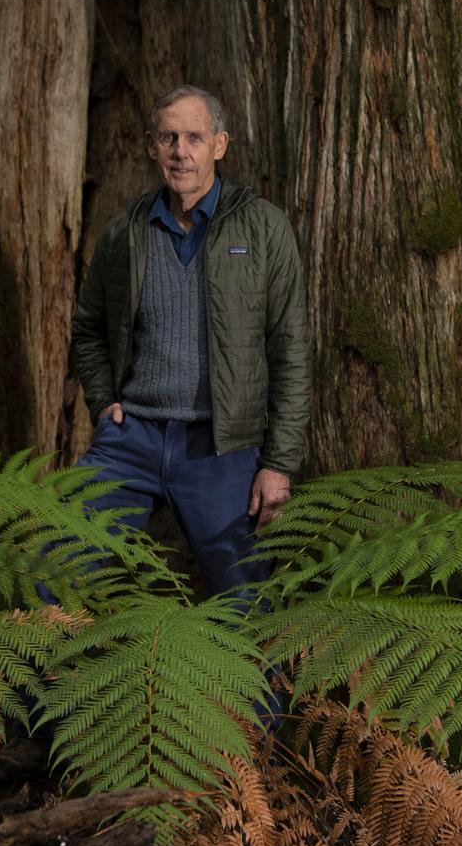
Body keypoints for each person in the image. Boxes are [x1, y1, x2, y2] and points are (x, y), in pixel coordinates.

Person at [67, 84, 311, 599]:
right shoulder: (125, 232)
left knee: (244, 605)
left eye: (194, 137)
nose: (181, 150)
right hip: (129, 439)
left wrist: (279, 464)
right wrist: (101, 400)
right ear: (152, 146)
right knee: (57, 568)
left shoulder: (263, 227)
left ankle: (261, 686)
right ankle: (32, 681)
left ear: (220, 145)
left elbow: (291, 350)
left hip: (220, 449)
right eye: (169, 137)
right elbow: (88, 326)